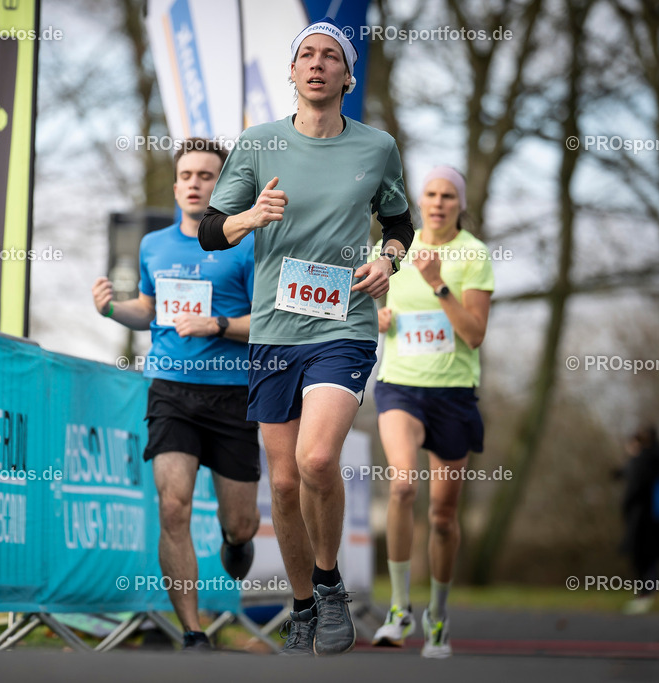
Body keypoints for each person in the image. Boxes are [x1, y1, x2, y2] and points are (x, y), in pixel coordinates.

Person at [198, 18, 414, 656]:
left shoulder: (377, 147)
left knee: (318, 459)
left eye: (331, 57)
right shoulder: (258, 144)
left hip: (343, 324)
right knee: (284, 482)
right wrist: (249, 217)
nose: (317, 64)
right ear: (292, 73)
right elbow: (211, 229)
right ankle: (302, 604)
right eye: (306, 56)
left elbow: (399, 226)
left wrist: (389, 260)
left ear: (348, 77)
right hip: (273, 329)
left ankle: (330, 587)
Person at [92, 138, 260, 651]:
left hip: (233, 395)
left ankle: (237, 541)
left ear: (221, 185)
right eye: (187, 175)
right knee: (174, 507)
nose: (194, 183)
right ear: (175, 184)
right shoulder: (154, 245)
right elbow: (149, 308)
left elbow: (269, 321)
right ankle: (192, 630)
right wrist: (112, 311)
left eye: (206, 176)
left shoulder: (246, 244)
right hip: (170, 389)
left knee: (238, 521)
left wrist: (219, 322)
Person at [369, 166, 494, 658]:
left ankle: (437, 615)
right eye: (430, 194)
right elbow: (365, 304)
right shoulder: (397, 249)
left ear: (459, 203)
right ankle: (399, 607)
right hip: (401, 386)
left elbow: (475, 334)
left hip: (454, 393)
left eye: (447, 195)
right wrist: (376, 317)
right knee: (402, 485)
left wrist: (439, 284)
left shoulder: (474, 254)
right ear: (419, 200)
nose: (438, 202)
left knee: (443, 516)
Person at [619, 424, 659, 615]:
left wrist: (625, 507)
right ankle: (647, 592)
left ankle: (645, 594)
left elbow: (635, 487)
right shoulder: (652, 458)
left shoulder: (641, 461)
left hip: (645, 518)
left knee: (643, 557)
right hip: (653, 515)